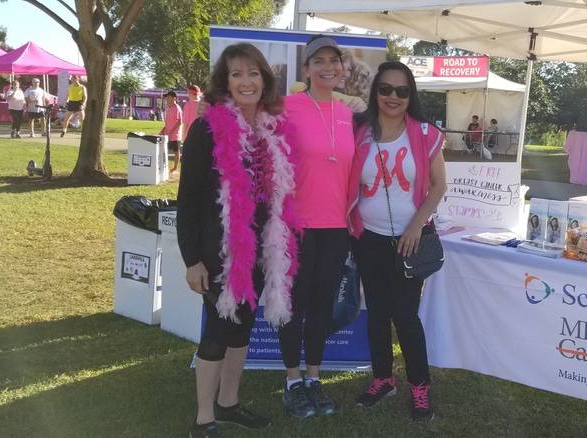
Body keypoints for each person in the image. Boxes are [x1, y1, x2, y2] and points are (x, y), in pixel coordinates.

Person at [177, 42, 297, 437]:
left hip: (260, 251)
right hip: (219, 254)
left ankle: (228, 403)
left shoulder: (271, 128)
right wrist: (192, 259)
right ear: (224, 83)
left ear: (264, 79)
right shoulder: (206, 128)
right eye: (236, 74)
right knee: (217, 331)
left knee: (242, 329)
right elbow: (189, 198)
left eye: (253, 73)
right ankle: (202, 418)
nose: (246, 82)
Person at [349, 61, 445, 422]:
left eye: (401, 91)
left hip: (412, 241)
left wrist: (415, 226)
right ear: (375, 91)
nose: (393, 96)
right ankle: (383, 378)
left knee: (405, 316)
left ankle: (420, 387)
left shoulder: (424, 134)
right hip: (368, 238)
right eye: (385, 89)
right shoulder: (359, 132)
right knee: (376, 313)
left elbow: (439, 187)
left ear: (411, 95)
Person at [278, 35, 355, 419]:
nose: (328, 67)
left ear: (342, 68)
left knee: (322, 306)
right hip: (296, 226)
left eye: (334, 61)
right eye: (319, 61)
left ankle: (313, 377)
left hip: (336, 227)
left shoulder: (347, 114)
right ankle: (292, 380)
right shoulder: (287, 107)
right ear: (306, 70)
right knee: (293, 306)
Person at [160, 91, 183, 173]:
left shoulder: (177, 108)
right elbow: (167, 121)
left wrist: (171, 132)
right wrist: (163, 129)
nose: (167, 99)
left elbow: (180, 122)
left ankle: (175, 168)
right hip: (167, 134)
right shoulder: (167, 108)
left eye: (169, 97)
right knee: (164, 150)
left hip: (175, 135)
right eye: (167, 97)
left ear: (174, 98)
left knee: (176, 151)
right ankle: (164, 166)